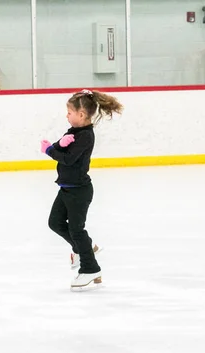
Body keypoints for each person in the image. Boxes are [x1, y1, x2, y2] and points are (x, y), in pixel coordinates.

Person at [40, 89, 124, 289]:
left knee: (77, 230)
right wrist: (58, 144)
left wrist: (51, 150)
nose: (66, 115)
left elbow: (68, 159)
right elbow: (60, 148)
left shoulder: (86, 135)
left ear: (82, 115)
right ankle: (85, 247)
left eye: (69, 112)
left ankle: (90, 269)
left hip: (79, 190)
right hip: (66, 188)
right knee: (55, 223)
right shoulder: (73, 132)